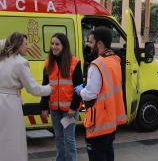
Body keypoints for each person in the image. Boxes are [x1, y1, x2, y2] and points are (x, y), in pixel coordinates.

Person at [74, 26, 127, 161]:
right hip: (111, 120)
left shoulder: (97, 65)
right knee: (108, 154)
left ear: (99, 44)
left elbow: (91, 93)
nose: (89, 45)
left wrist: (80, 91)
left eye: (91, 42)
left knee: (98, 156)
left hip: (99, 123)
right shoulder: (115, 60)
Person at [0, 32, 53, 161]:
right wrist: (50, 88)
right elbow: (34, 89)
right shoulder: (20, 63)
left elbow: (2, 43)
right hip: (11, 104)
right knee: (14, 139)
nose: (27, 47)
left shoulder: (2, 58)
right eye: (25, 44)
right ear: (18, 45)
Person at [40, 33, 83, 161]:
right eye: (52, 44)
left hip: (69, 110)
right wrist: (44, 106)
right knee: (58, 138)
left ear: (64, 46)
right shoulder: (48, 63)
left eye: (57, 44)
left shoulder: (74, 62)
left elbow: (79, 87)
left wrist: (73, 107)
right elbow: (45, 86)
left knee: (68, 138)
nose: (54, 47)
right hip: (55, 108)